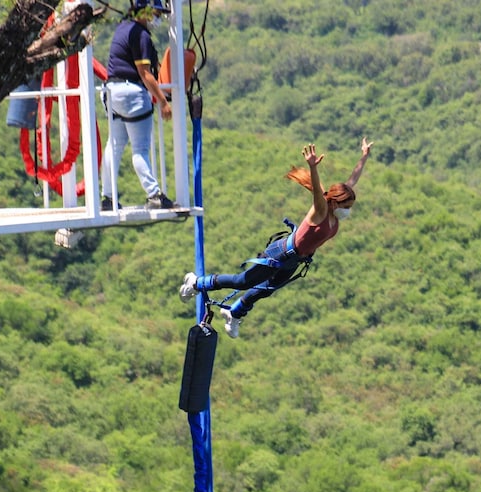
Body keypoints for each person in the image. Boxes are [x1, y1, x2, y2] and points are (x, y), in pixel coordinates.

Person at [180, 137, 373, 338]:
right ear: (335, 202)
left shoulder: (334, 214)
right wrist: (313, 167)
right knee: (242, 281)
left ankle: (234, 312)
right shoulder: (322, 210)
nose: (349, 212)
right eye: (347, 207)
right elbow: (317, 190)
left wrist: (364, 157)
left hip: (295, 259)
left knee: (266, 289)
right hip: (281, 252)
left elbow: (352, 180)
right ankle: (196, 283)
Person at [101, 0, 175, 211]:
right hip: (132, 94)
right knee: (140, 149)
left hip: (111, 93)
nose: (158, 18)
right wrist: (163, 102)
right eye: (156, 13)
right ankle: (154, 195)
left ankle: (107, 197)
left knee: (113, 146)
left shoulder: (123, 28)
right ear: (145, 11)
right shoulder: (141, 35)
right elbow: (145, 74)